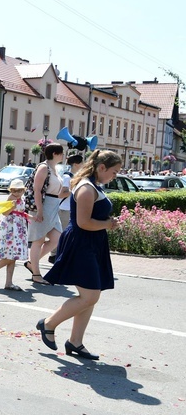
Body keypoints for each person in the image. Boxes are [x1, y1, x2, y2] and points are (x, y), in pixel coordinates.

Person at [37, 150, 121, 360]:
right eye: (114, 171)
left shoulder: (92, 186)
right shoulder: (86, 188)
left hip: (91, 244)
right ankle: (48, 324)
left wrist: (105, 224)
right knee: (90, 295)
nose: (115, 176)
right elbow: (83, 223)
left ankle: (75, 342)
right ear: (101, 167)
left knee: (90, 296)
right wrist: (108, 224)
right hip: (82, 244)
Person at [25, 143, 67, 285]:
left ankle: (32, 263)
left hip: (53, 206)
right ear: (55, 153)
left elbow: (56, 191)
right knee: (38, 240)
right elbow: (37, 190)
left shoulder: (55, 169)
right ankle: (36, 274)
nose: (63, 155)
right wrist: (40, 210)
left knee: (57, 239)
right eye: (61, 153)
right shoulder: (44, 167)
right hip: (44, 205)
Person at [0, 179, 29, 291]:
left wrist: (29, 217)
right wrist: (12, 206)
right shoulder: (11, 198)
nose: (17, 193)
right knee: (11, 255)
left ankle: (8, 283)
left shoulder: (22, 198)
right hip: (10, 227)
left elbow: (21, 211)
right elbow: (4, 212)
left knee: (13, 255)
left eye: (19, 190)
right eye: (14, 190)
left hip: (18, 227)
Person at [49, 153, 84, 263]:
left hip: (71, 209)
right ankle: (54, 255)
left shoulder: (76, 177)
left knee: (68, 234)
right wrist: (76, 191)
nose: (84, 164)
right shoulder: (67, 176)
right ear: (75, 164)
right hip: (64, 209)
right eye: (82, 162)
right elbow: (62, 193)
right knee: (62, 233)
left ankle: (60, 255)